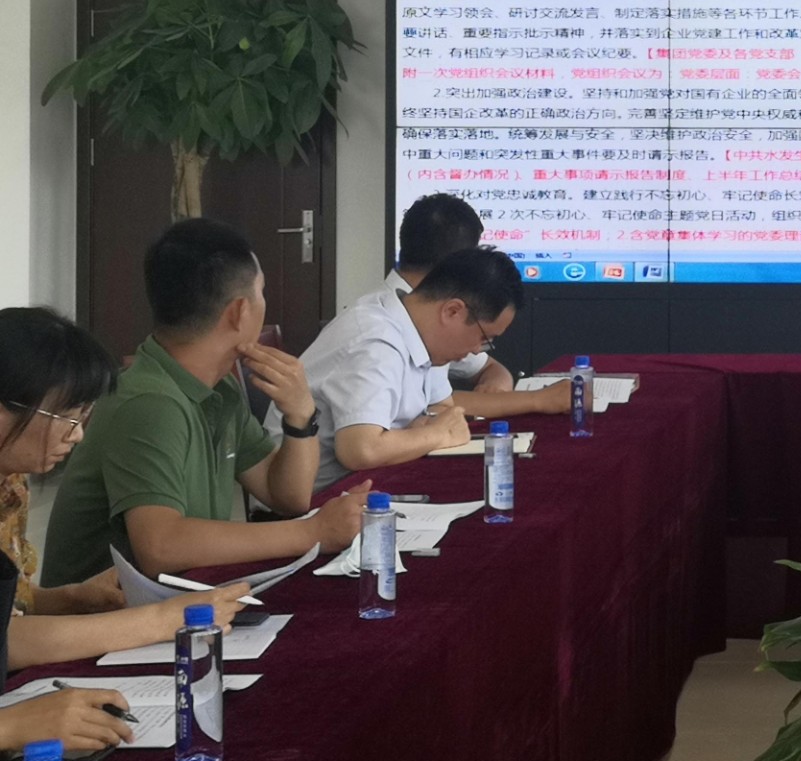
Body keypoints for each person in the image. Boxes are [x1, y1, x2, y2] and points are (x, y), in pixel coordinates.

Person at [42, 219, 368, 583]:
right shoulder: (149, 402)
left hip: (185, 596)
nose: (265, 304)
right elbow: (160, 548)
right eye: (261, 292)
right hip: (109, 614)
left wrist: (300, 415)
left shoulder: (218, 387)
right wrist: (313, 532)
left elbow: (287, 497)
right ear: (239, 311)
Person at [0, 310, 250, 721]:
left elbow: (10, 609)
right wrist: (162, 620)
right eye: (66, 416)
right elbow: (9, 640)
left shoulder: (11, 479)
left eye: (84, 416)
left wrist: (70, 598)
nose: (78, 434)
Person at [294, 246, 534, 487]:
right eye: (483, 338)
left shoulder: (422, 332)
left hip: (372, 480)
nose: (476, 351)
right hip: (319, 498)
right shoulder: (376, 342)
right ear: (453, 311)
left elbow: (443, 410)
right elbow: (361, 451)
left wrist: (421, 431)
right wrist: (438, 434)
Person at [386, 194, 512, 394]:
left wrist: (495, 388)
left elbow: (490, 369)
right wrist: (540, 399)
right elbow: (434, 403)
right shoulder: (386, 329)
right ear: (456, 264)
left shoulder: (425, 307)